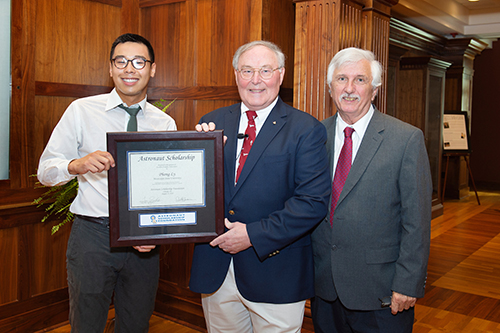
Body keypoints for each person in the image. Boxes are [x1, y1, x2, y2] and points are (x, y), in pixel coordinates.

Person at [37, 33, 177, 332]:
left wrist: (158, 232)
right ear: (110, 68)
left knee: (136, 323)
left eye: (139, 61)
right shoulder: (81, 110)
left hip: (144, 241)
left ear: (152, 69)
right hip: (93, 236)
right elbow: (45, 171)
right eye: (121, 61)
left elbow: (168, 189)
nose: (130, 69)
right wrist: (77, 165)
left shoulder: (164, 124)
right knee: (86, 322)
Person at [189, 40, 331, 332]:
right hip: (216, 269)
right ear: (236, 75)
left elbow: (312, 202)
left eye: (265, 71)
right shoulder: (211, 124)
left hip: (276, 272)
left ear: (280, 75)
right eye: (247, 70)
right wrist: (198, 157)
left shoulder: (306, 129)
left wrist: (252, 235)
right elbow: (192, 193)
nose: (256, 80)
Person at [311, 47, 432, 332]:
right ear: (330, 88)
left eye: (360, 80)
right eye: (341, 79)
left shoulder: (405, 139)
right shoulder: (315, 136)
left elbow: (417, 221)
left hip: (382, 292)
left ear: (375, 90)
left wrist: (408, 282)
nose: (349, 88)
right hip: (324, 288)